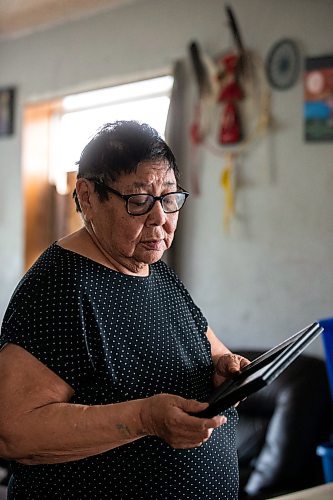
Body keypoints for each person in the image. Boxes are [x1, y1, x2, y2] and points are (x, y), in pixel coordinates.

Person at [0, 121, 249, 499]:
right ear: (87, 197)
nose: (160, 219)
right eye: (139, 201)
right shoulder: (60, 286)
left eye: (168, 199)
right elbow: (13, 429)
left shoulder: (156, 273)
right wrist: (143, 419)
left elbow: (212, 353)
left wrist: (225, 369)